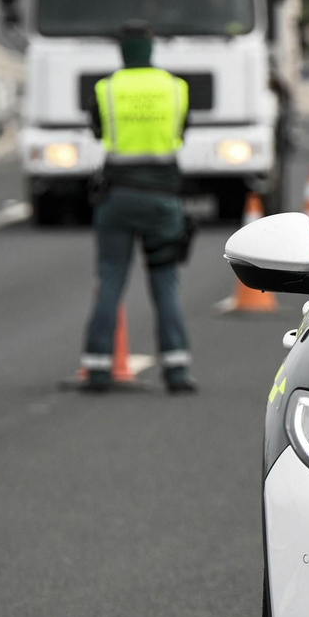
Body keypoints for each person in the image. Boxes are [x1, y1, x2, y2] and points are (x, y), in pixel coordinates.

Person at [81, 22, 195, 393]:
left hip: (117, 197)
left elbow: (98, 132)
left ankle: (98, 368)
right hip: (163, 200)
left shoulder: (107, 88)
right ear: (150, 49)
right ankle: (176, 370)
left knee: (110, 278)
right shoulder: (175, 88)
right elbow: (181, 132)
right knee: (165, 285)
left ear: (122, 51)